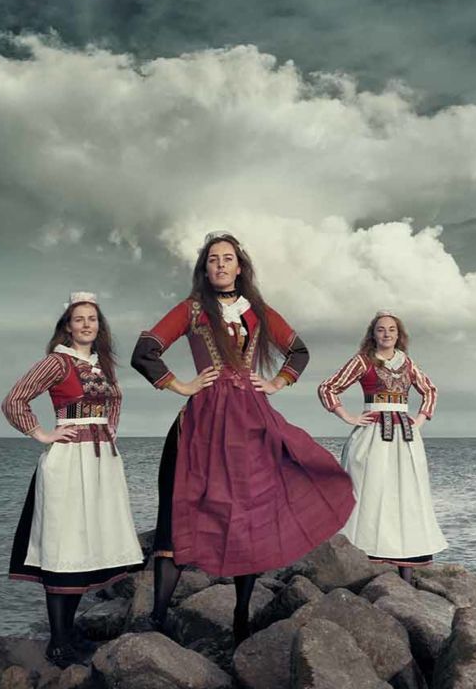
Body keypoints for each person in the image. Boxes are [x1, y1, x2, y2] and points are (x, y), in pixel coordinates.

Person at [130, 232, 355, 645]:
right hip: (201, 422)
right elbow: (144, 350)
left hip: (252, 420)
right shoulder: (192, 310)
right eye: (213, 259)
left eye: (227, 258)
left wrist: (277, 381)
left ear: (240, 266)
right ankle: (158, 618)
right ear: (205, 268)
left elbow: (299, 351)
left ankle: (239, 616)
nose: (220, 265)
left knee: (251, 515)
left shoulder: (258, 311)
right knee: (179, 511)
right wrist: (181, 385)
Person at [1, 292, 144, 666]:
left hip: (100, 465)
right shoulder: (57, 362)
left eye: (92, 319)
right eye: (79, 319)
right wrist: (43, 434)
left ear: (99, 326)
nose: (86, 325)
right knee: (63, 546)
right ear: (68, 325)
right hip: (68, 462)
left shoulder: (103, 366)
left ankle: (67, 634)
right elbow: (15, 399)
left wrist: (109, 433)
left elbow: (115, 404)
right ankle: (59, 640)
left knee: (86, 547)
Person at [317, 310, 447, 582]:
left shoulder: (408, 364)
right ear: (372, 334)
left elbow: (430, 390)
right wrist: (348, 417)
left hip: (405, 436)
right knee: (369, 490)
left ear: (399, 335)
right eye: (381, 329)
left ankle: (406, 564)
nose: (386, 333)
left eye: (391, 329)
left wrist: (421, 419)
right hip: (373, 434)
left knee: (406, 494)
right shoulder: (363, 361)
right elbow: (328, 388)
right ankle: (358, 559)